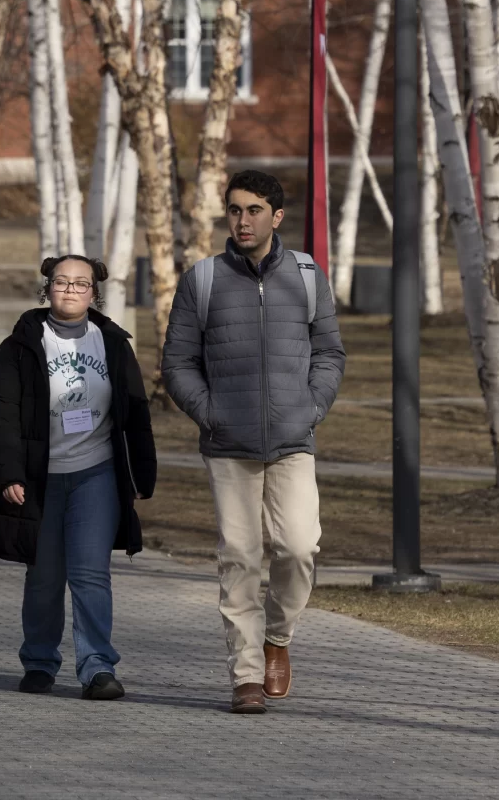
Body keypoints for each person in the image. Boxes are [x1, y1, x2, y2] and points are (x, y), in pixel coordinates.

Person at [163, 170, 344, 714]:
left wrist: (311, 407)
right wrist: (210, 413)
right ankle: (245, 674)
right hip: (228, 443)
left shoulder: (308, 277)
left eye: (255, 210)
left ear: (277, 216)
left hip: (293, 439)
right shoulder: (203, 279)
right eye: (235, 209)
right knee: (240, 556)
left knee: (298, 546)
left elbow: (330, 353)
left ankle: (278, 638)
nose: (243, 220)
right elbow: (177, 363)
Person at [0, 254, 156, 701]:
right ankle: (39, 661)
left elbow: (136, 411)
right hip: (40, 477)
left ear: (94, 293)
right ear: (47, 288)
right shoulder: (21, 344)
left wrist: (142, 471)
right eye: (63, 282)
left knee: (90, 573)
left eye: (81, 284)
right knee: (43, 575)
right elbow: (2, 414)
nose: (71, 290)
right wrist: (9, 473)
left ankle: (97, 666)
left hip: (95, 473)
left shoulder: (113, 343)